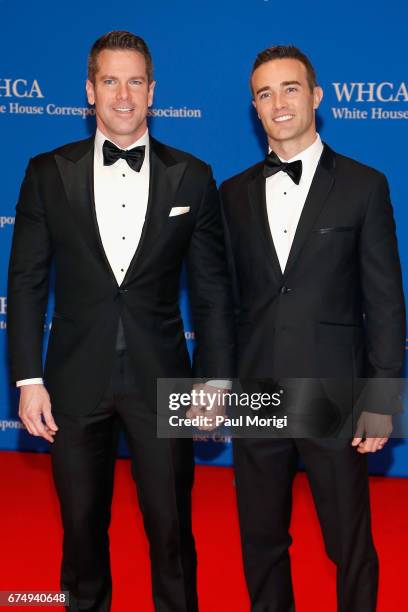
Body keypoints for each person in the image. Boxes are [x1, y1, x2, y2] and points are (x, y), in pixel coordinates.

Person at [8, 30, 234, 612]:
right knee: (81, 535)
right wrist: (28, 379)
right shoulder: (46, 172)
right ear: (90, 90)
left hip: (165, 382)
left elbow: (211, 292)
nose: (124, 95)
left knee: (172, 533)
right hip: (72, 382)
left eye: (135, 81)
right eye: (110, 80)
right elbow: (27, 282)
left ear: (153, 91)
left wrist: (213, 382)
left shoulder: (193, 176)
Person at [220, 45, 405, 611]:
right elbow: (221, 302)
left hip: (334, 396)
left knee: (348, 544)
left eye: (290, 88)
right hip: (257, 394)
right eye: (265, 93)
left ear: (316, 97)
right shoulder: (231, 194)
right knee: (262, 541)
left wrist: (381, 398)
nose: (279, 103)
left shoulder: (363, 185)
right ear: (254, 107)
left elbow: (386, 301)